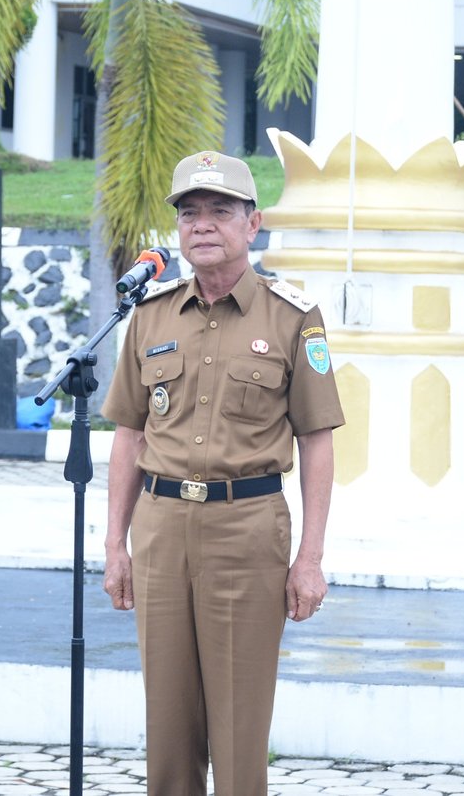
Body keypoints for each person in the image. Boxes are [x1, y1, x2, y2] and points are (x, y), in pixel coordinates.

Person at [102, 150, 343, 796]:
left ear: (252, 224)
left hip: (247, 531)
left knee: (238, 732)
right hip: (160, 533)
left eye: (219, 212)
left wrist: (310, 557)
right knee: (169, 730)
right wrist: (113, 546)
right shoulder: (150, 316)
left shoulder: (291, 318)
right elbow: (129, 433)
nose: (201, 225)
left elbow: (318, 442)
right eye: (189, 213)